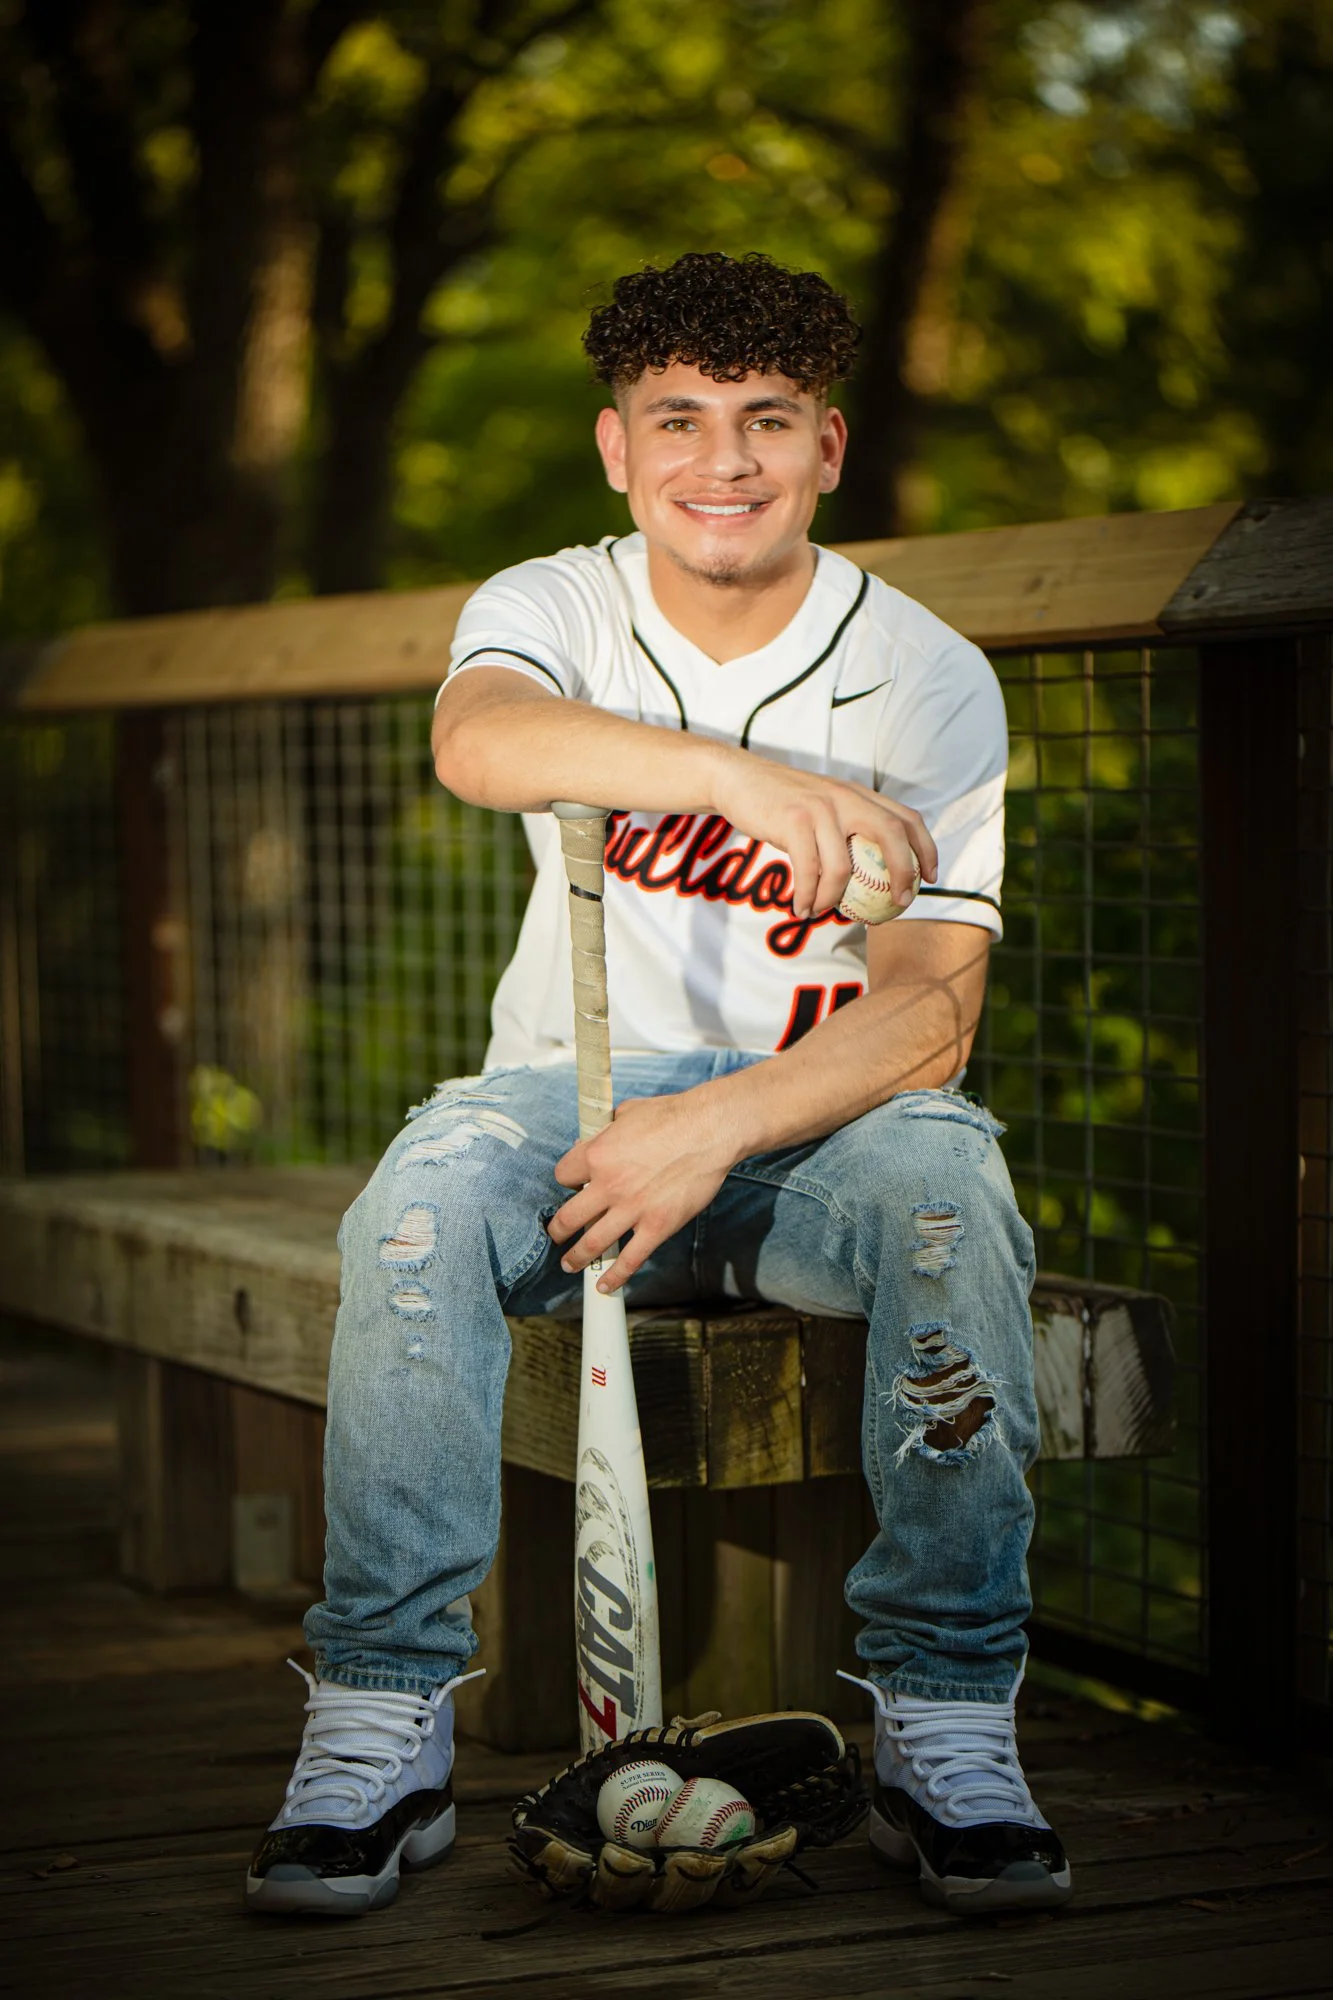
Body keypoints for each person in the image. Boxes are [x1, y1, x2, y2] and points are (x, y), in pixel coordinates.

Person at [246, 250, 1071, 1920]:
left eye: (769, 420)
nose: (725, 459)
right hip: (563, 1101)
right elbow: (478, 741)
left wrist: (710, 1127)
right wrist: (732, 778)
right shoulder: (556, 602)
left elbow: (929, 1019)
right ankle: (378, 1723)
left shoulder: (925, 673)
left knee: (951, 1186)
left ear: (830, 447)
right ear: (616, 449)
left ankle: (945, 1723)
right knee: (415, 1206)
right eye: (677, 418)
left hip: (804, 1130)